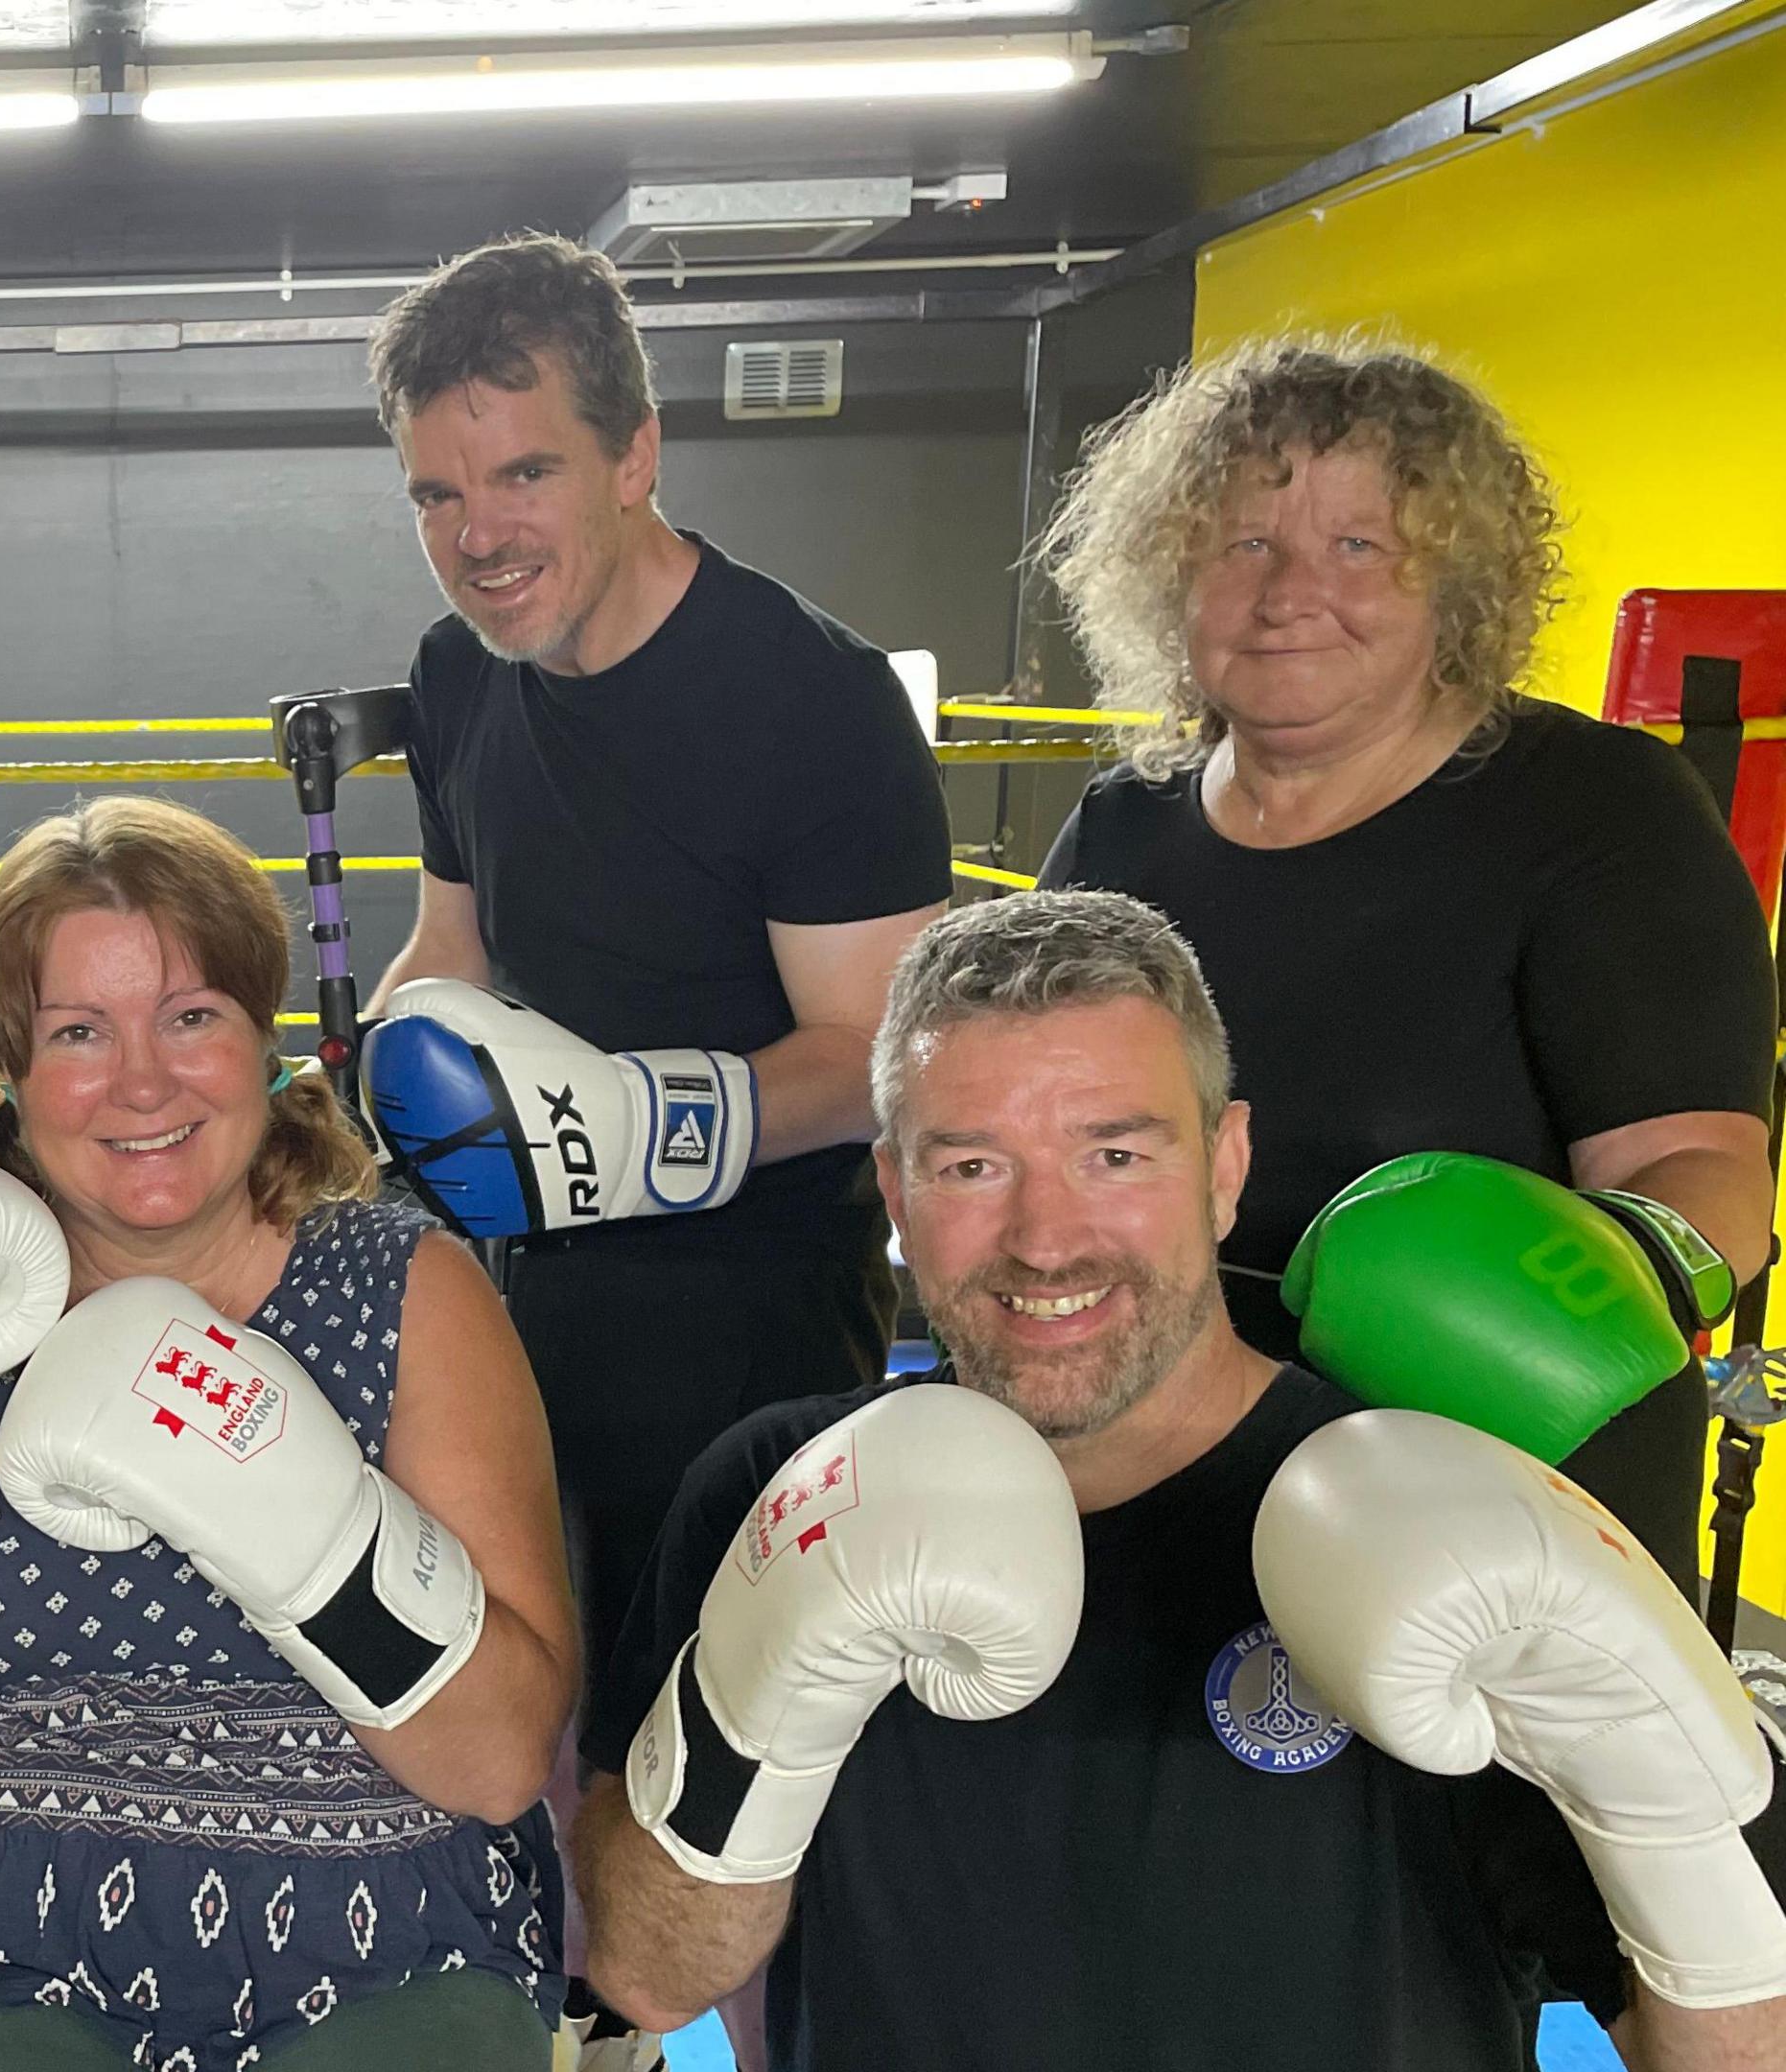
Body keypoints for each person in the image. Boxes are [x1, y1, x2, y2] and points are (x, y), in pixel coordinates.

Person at [575, 889, 1786, 2069]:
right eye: (971, 1168)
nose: (1047, 1239)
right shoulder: (775, 1487)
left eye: (1114, 1154)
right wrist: (756, 1706)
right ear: (895, 1193)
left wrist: (1656, 1793)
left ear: (1225, 1166)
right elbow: (647, 1974)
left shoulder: (1454, 1515)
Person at [0, 797, 578, 2071]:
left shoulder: (405, 1287)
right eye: (79, 1031)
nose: (141, 1082)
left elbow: (504, 1756)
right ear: (9, 1066)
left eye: (191, 1017)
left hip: (366, 1919)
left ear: (261, 1035)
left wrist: (301, 1530)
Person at [1038, 336, 1775, 1582]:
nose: (1288, 596)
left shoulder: (1596, 808)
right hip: (1158, 1486)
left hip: (1482, 1512)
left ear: (1458, 582)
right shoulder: (1121, 827)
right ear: (1172, 575)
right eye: (1245, 543)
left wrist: (1540, 1321)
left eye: (1360, 547)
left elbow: (1701, 1167)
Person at [356, 233, 952, 1693]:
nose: (478, 535)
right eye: (438, 492)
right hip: (512, 1288)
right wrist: (351, 1098)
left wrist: (629, 1129)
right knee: (504, 1696)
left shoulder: (812, 701)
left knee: (709, 1741)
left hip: (747, 1323)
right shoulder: (458, 672)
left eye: (524, 475)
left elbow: (886, 1057)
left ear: (635, 456)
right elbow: (452, 947)